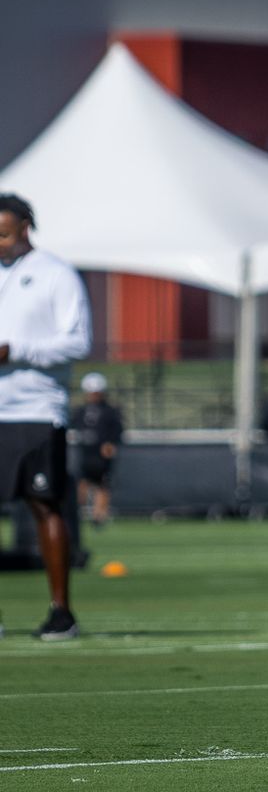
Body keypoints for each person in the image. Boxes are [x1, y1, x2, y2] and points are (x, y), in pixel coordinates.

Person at [0, 192, 93, 640]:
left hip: (36, 409)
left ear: (24, 229)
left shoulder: (56, 274)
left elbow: (77, 341)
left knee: (43, 504)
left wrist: (16, 352)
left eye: (3, 233)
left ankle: (62, 611)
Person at [71, 371, 123, 526]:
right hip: (86, 452)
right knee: (82, 482)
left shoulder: (109, 411)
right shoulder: (81, 411)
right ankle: (76, 511)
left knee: (102, 484)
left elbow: (117, 430)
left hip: (101, 454)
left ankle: (99, 515)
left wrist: (111, 444)